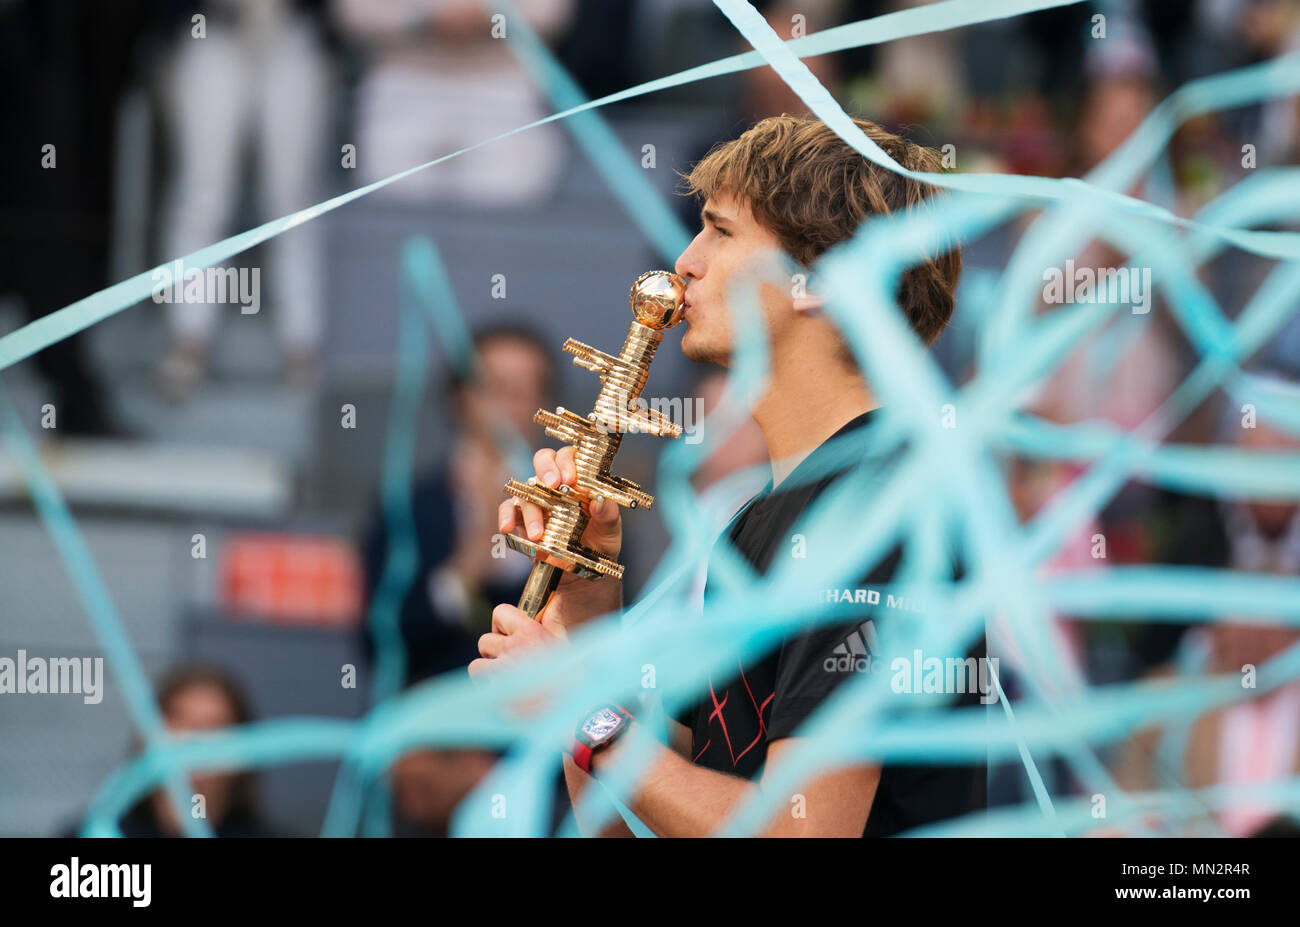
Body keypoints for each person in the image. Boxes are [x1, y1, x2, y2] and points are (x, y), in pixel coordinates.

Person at [473, 115, 987, 837]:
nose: (684, 261)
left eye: (720, 231)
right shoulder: (759, 521)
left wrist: (579, 706)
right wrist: (587, 605)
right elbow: (621, 820)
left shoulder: (881, 516)